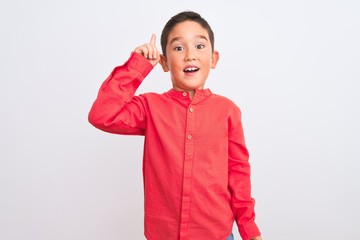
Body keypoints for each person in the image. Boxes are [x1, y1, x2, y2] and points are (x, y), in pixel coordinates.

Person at [88, 11, 262, 240]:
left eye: (199, 46)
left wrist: (248, 229)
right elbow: (102, 115)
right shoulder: (150, 107)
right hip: (164, 234)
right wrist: (137, 66)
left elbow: (238, 173)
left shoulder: (227, 111)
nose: (190, 55)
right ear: (164, 62)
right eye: (178, 48)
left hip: (216, 234)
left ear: (213, 58)